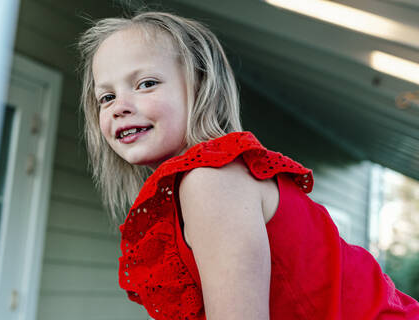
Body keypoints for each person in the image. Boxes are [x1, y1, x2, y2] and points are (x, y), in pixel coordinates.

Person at [76, 11, 419, 320]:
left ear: (201, 87)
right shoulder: (202, 181)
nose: (119, 106)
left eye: (146, 83)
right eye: (106, 97)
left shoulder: (211, 180)